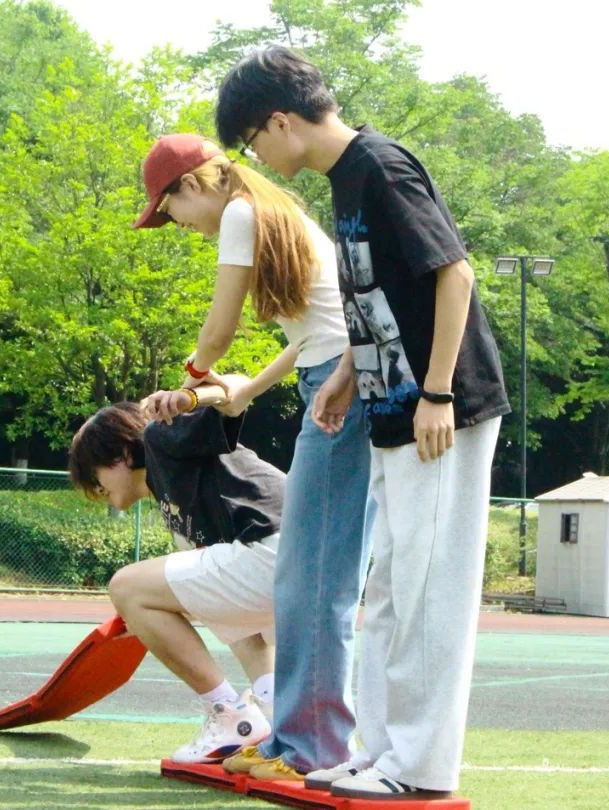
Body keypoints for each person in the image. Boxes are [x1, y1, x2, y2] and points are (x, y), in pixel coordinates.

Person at [214, 46, 511, 800]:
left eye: (252, 142)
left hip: (441, 412)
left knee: (427, 592)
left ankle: (421, 769)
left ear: (280, 121)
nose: (257, 158)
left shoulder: (379, 167)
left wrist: (437, 392)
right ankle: (380, 752)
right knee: (388, 592)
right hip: (390, 411)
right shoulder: (345, 179)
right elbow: (378, 299)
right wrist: (349, 374)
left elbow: (454, 274)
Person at [132, 134, 373, 782]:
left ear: (191, 185)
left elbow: (219, 329)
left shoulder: (241, 212)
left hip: (341, 387)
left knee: (312, 579)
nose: (181, 227)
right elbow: (314, 332)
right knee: (317, 578)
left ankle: (309, 749)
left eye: (171, 212)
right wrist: (249, 389)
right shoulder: (274, 209)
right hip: (338, 375)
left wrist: (189, 381)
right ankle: (307, 741)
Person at [68, 383, 283, 764]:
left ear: (120, 454)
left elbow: (233, 395)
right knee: (213, 599)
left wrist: (193, 396)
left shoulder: (160, 438)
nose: (95, 488)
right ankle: (274, 707)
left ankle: (228, 713)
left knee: (127, 587)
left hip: (276, 546)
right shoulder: (170, 490)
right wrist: (152, 616)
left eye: (94, 473)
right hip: (297, 559)